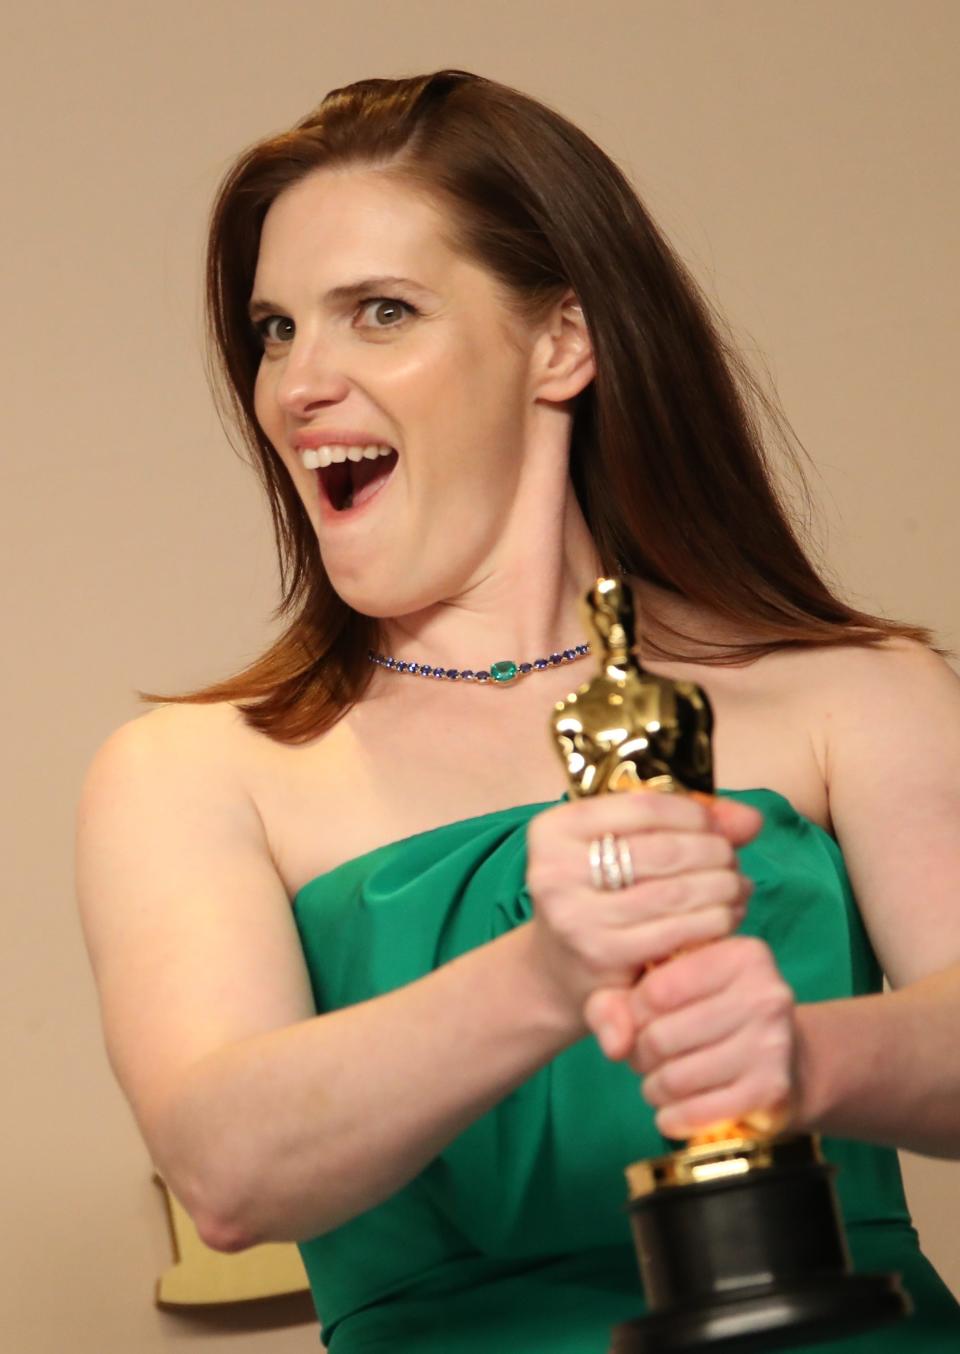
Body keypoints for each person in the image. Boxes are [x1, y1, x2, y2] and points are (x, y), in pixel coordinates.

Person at [75, 69, 960, 1353]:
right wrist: (550, 971)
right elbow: (225, 1168)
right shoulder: (191, 772)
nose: (298, 384)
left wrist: (804, 1059)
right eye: (275, 331)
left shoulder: (856, 688)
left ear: (562, 342)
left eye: (378, 312)